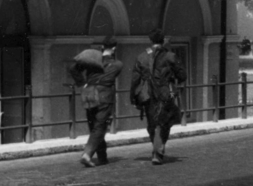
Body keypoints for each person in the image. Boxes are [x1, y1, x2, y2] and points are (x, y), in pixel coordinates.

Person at [130, 30, 186, 164]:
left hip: (147, 95)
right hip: (166, 93)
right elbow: (183, 76)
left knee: (152, 123)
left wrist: (133, 97)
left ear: (150, 41)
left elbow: (135, 79)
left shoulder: (142, 57)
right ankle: (158, 151)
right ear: (163, 40)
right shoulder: (170, 56)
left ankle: (156, 149)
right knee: (165, 121)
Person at [73, 36, 122, 168]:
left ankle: (102, 157)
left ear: (102, 47)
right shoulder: (118, 65)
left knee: (94, 126)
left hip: (89, 93)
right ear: (114, 48)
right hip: (105, 96)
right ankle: (87, 154)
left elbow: (74, 69)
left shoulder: (91, 60)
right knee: (100, 126)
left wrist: (82, 83)